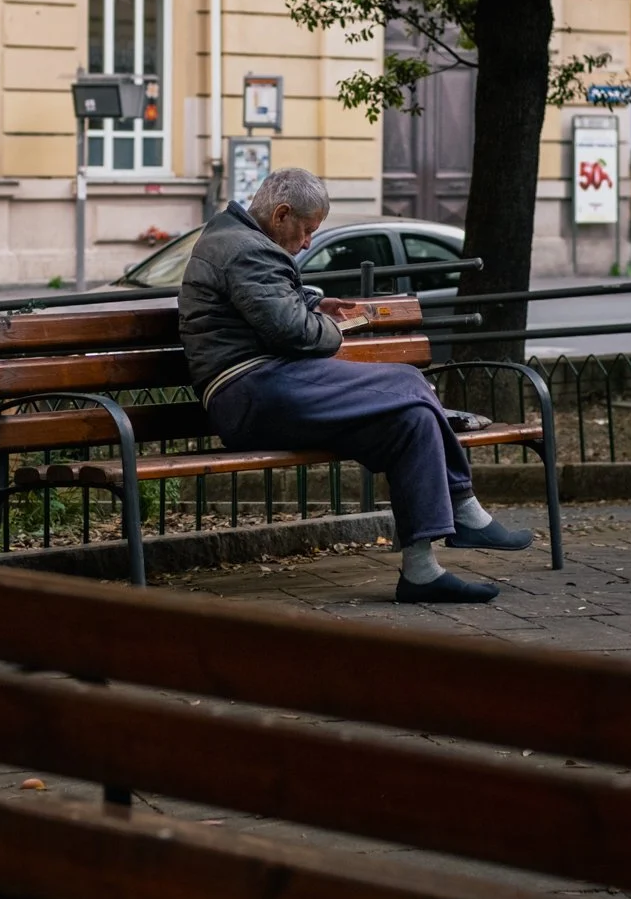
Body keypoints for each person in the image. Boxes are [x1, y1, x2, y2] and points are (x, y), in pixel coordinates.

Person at [179, 166, 533, 604]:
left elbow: (263, 299)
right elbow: (294, 333)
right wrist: (334, 326)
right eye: (307, 230)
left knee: (412, 420)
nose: (308, 242)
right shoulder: (244, 248)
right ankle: (464, 507)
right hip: (254, 388)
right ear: (282, 214)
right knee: (406, 380)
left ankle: (421, 573)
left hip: (266, 387)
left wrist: (314, 301)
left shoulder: (238, 239)